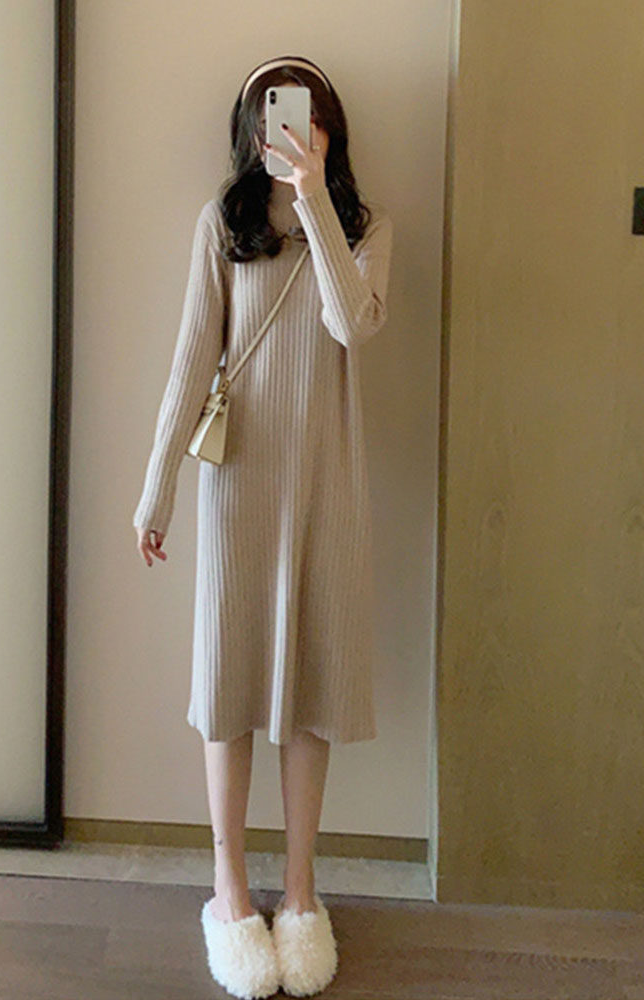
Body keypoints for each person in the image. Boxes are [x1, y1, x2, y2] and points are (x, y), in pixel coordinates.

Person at [132, 55, 392, 998]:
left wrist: (313, 197)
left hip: (327, 484)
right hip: (237, 483)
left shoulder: (364, 228)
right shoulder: (223, 224)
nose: (287, 130)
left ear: (329, 129)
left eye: (305, 117)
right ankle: (230, 890)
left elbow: (353, 326)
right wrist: (157, 488)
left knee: (312, 683)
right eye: (273, 117)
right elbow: (189, 359)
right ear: (251, 129)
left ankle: (303, 891)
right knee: (231, 682)